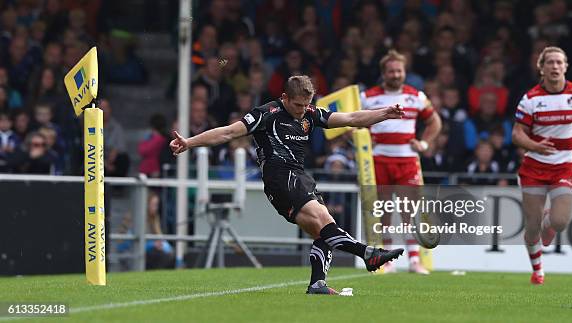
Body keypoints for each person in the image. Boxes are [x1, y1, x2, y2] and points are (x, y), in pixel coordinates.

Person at [171, 75, 404, 295]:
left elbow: (351, 119)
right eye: (297, 105)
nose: (302, 111)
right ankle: (368, 254)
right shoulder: (266, 114)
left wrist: (384, 113)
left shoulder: (310, 114)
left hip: (299, 177)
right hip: (280, 178)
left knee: (324, 230)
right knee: (324, 222)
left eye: (306, 105)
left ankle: (318, 284)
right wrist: (189, 142)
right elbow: (228, 132)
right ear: (284, 98)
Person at [512, 47, 572, 285]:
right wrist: (535, 145)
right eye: (550, 62)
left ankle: (548, 222)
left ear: (566, 66)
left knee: (560, 221)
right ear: (541, 68)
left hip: (563, 166)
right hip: (533, 167)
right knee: (532, 227)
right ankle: (538, 271)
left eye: (559, 62)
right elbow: (516, 134)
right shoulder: (531, 99)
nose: (554, 67)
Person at [361, 50, 442, 275]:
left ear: (405, 72)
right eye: (391, 71)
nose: (396, 75)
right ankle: (387, 260)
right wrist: (363, 144)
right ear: (383, 73)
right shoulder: (368, 97)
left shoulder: (416, 96)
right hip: (379, 161)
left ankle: (414, 261)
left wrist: (424, 144)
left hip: (407, 160)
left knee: (410, 210)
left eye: (399, 70)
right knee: (384, 209)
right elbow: (354, 124)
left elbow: (435, 122)